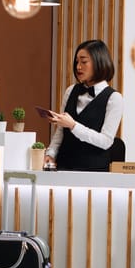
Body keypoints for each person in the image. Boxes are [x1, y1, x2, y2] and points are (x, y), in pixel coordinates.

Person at [44, 39, 124, 171]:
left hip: (94, 172)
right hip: (64, 167)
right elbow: (60, 131)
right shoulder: (70, 91)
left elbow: (106, 141)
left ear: (99, 62)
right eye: (77, 62)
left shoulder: (114, 98)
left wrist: (73, 126)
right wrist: (50, 154)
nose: (78, 67)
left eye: (84, 61)